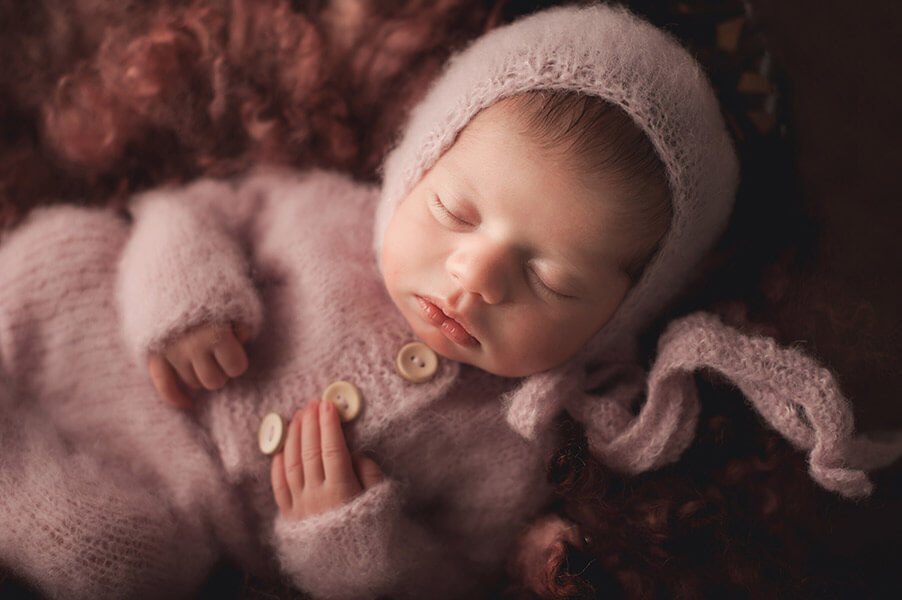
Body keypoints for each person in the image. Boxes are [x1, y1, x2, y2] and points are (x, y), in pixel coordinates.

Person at [0, 4, 898, 599]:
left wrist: (344, 537)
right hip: (106, 321)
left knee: (111, 562)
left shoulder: (514, 442)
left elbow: (444, 576)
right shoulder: (328, 217)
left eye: (549, 281)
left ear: (619, 318)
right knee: (48, 252)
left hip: (176, 497)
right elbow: (191, 211)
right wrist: (184, 298)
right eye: (454, 211)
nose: (474, 280)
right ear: (413, 167)